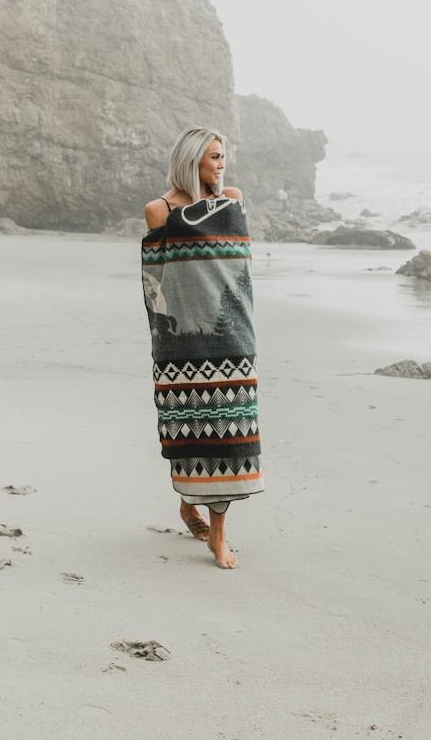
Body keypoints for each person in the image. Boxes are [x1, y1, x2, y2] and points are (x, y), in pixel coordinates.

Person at [141, 127, 263, 569]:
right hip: (182, 341)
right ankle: (188, 504)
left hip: (233, 334)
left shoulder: (231, 197)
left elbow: (236, 266)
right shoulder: (159, 211)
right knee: (187, 431)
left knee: (229, 437)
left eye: (223, 155)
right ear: (192, 161)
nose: (221, 164)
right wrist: (168, 332)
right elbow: (160, 277)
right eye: (213, 156)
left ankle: (218, 534)